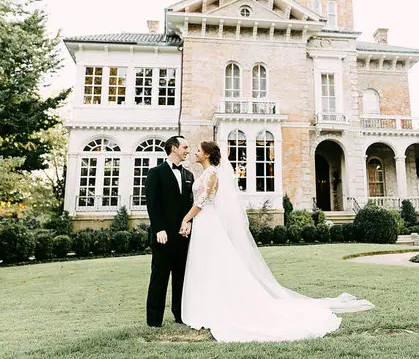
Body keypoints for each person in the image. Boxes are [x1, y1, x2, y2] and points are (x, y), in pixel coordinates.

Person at [178, 141, 373, 342]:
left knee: (214, 265)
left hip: (207, 222)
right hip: (203, 222)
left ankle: (219, 308)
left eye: (199, 150)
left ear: (208, 154)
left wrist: (186, 218)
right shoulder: (203, 174)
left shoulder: (211, 174)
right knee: (205, 266)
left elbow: (202, 201)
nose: (195, 152)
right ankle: (205, 307)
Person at [144, 135, 194, 327]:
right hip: (163, 235)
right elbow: (152, 204)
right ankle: (154, 319)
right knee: (160, 277)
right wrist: (159, 229)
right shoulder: (155, 173)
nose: (187, 150)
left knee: (181, 277)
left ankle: (180, 315)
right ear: (174, 148)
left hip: (183, 236)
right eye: (185, 147)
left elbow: (190, 204)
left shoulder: (189, 175)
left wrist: (189, 224)